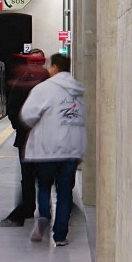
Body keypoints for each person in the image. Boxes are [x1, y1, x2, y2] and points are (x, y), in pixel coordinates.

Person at [20, 53, 86, 245]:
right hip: (71, 150)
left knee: (44, 186)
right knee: (65, 193)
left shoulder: (44, 89)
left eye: (50, 66)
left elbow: (28, 115)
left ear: (55, 67)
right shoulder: (78, 92)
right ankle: (60, 236)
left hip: (46, 149)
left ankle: (44, 217)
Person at [0, 50, 50, 227]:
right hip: (41, 139)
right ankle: (40, 210)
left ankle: (27, 210)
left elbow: (12, 109)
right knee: (40, 175)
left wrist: (22, 128)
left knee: (28, 176)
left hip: (30, 138)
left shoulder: (21, 83)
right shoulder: (50, 84)